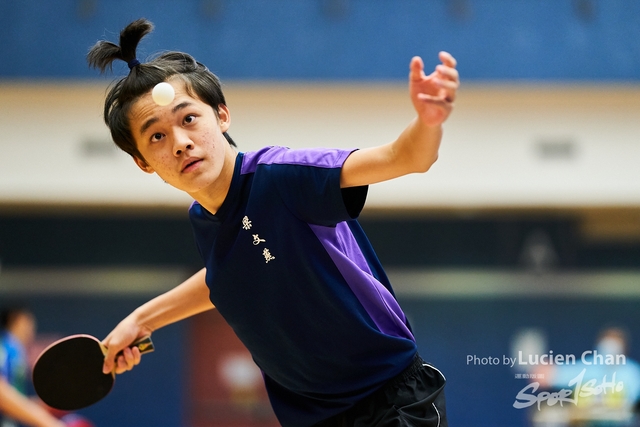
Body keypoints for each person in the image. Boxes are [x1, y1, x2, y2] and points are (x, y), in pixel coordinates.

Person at [88, 18, 459, 427]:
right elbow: (225, 277)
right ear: (143, 162)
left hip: (388, 402)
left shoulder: (283, 176)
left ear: (222, 116)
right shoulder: (205, 219)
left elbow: (405, 158)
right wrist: (141, 320)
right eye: (156, 136)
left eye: (189, 118)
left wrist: (428, 122)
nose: (180, 142)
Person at [0, 307, 66, 427]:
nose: (32, 329)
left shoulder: (15, 350)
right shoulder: (7, 349)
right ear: (16, 321)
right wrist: (49, 423)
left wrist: (38, 406)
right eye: (28, 322)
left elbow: (11, 397)